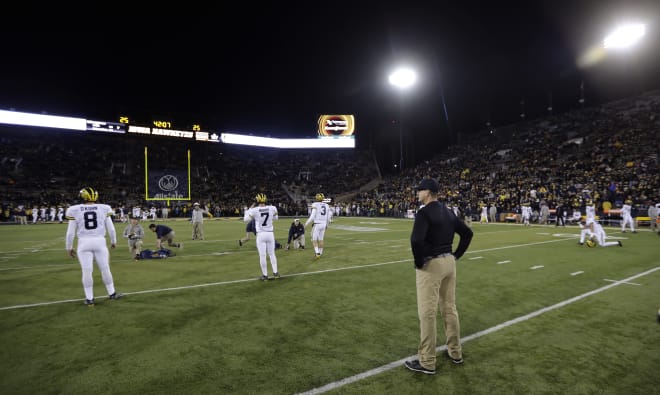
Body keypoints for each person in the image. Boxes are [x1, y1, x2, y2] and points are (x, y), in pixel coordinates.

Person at [405, 178, 473, 375]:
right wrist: (456, 255)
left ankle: (427, 361)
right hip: (448, 263)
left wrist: (419, 262)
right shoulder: (448, 211)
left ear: (428, 192)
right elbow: (467, 234)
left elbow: (416, 240)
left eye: (420, 190)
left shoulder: (424, 212)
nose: (418, 192)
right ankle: (455, 352)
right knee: (449, 309)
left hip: (432, 264)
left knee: (427, 312)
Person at [65, 187, 123, 306]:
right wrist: (113, 241)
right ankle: (112, 293)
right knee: (105, 268)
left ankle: (90, 299)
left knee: (87, 271)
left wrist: (69, 247)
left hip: (84, 242)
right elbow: (111, 228)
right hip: (99, 241)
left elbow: (70, 232)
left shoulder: (74, 209)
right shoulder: (104, 208)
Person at [243, 193, 279, 281]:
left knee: (262, 256)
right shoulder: (272, 208)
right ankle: (275, 273)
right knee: (272, 254)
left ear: (257, 200)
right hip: (270, 233)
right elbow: (276, 218)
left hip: (261, 234)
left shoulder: (254, 210)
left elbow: (245, 219)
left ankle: (265, 275)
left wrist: (247, 210)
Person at [304, 193, 332, 259]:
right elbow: (328, 217)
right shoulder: (327, 205)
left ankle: (317, 253)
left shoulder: (315, 204)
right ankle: (320, 253)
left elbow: (312, 217)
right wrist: (327, 225)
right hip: (324, 224)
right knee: (321, 239)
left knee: (314, 240)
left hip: (317, 224)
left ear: (316, 198)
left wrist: (306, 224)